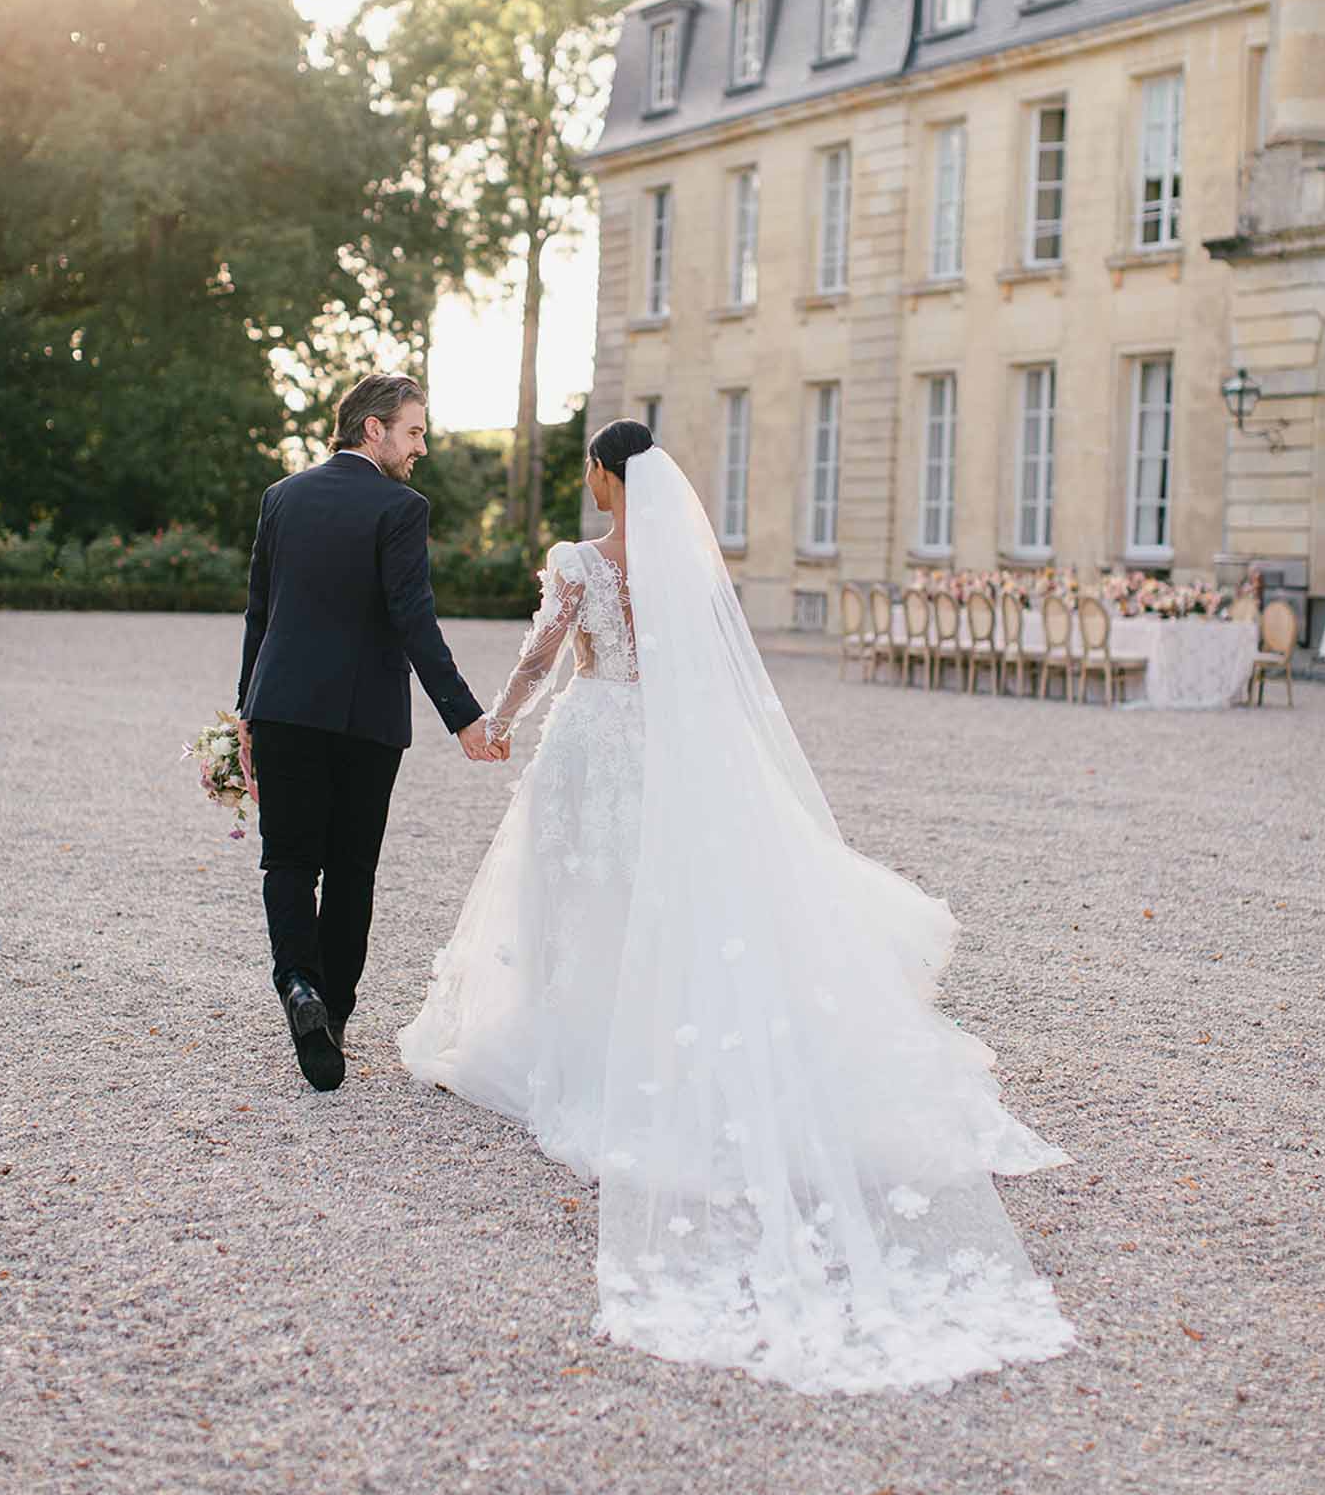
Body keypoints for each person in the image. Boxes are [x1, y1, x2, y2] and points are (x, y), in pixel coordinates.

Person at [399, 422, 1076, 1396]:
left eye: (590, 469)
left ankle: (577, 1044)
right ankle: (663, 1034)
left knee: (579, 896)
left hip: (594, 737)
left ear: (601, 475)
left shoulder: (577, 560)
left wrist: (495, 721)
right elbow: (697, 674)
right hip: (666, 747)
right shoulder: (683, 563)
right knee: (656, 901)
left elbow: (549, 652)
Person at [237, 372, 504, 1094]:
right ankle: (334, 1017)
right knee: (352, 871)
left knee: (288, 863)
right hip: (366, 722)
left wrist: (245, 713)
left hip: (284, 709)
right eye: (414, 431)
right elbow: (413, 618)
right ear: (373, 429)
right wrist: (465, 717)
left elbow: (258, 615)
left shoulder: (280, 498)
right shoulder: (401, 508)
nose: (423, 447)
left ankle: (298, 985)